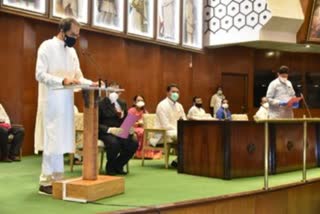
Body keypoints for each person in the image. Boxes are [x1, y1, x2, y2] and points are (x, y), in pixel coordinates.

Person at [34, 18, 98, 195]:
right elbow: (39, 74)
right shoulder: (46, 46)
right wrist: (61, 80)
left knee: (61, 140)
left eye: (77, 35)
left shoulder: (72, 52)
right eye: (72, 34)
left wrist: (91, 83)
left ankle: (58, 178)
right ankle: (45, 181)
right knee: (51, 140)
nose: (75, 38)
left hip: (66, 103)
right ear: (62, 30)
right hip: (51, 102)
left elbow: (78, 76)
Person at [98, 83, 138, 175]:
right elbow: (96, 123)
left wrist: (129, 127)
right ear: (107, 92)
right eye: (111, 91)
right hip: (106, 132)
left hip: (120, 131)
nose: (114, 93)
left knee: (133, 143)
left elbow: (126, 119)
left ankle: (118, 165)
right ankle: (110, 167)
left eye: (116, 92)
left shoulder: (122, 103)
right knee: (114, 143)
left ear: (119, 93)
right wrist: (109, 129)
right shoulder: (100, 104)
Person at [153, 84, 187, 167]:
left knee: (190, 134)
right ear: (167, 93)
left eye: (177, 92)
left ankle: (179, 160)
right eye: (173, 91)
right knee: (182, 135)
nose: (175, 94)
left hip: (176, 130)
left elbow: (184, 119)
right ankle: (182, 159)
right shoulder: (162, 105)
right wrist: (179, 129)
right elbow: (165, 125)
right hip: (163, 132)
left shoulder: (179, 106)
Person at [128, 95, 162, 159]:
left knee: (152, 131)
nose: (140, 102)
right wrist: (138, 123)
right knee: (143, 132)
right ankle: (140, 152)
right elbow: (128, 124)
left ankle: (150, 151)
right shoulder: (131, 110)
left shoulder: (144, 111)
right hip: (133, 128)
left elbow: (148, 121)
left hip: (143, 127)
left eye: (142, 100)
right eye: (138, 100)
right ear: (134, 102)